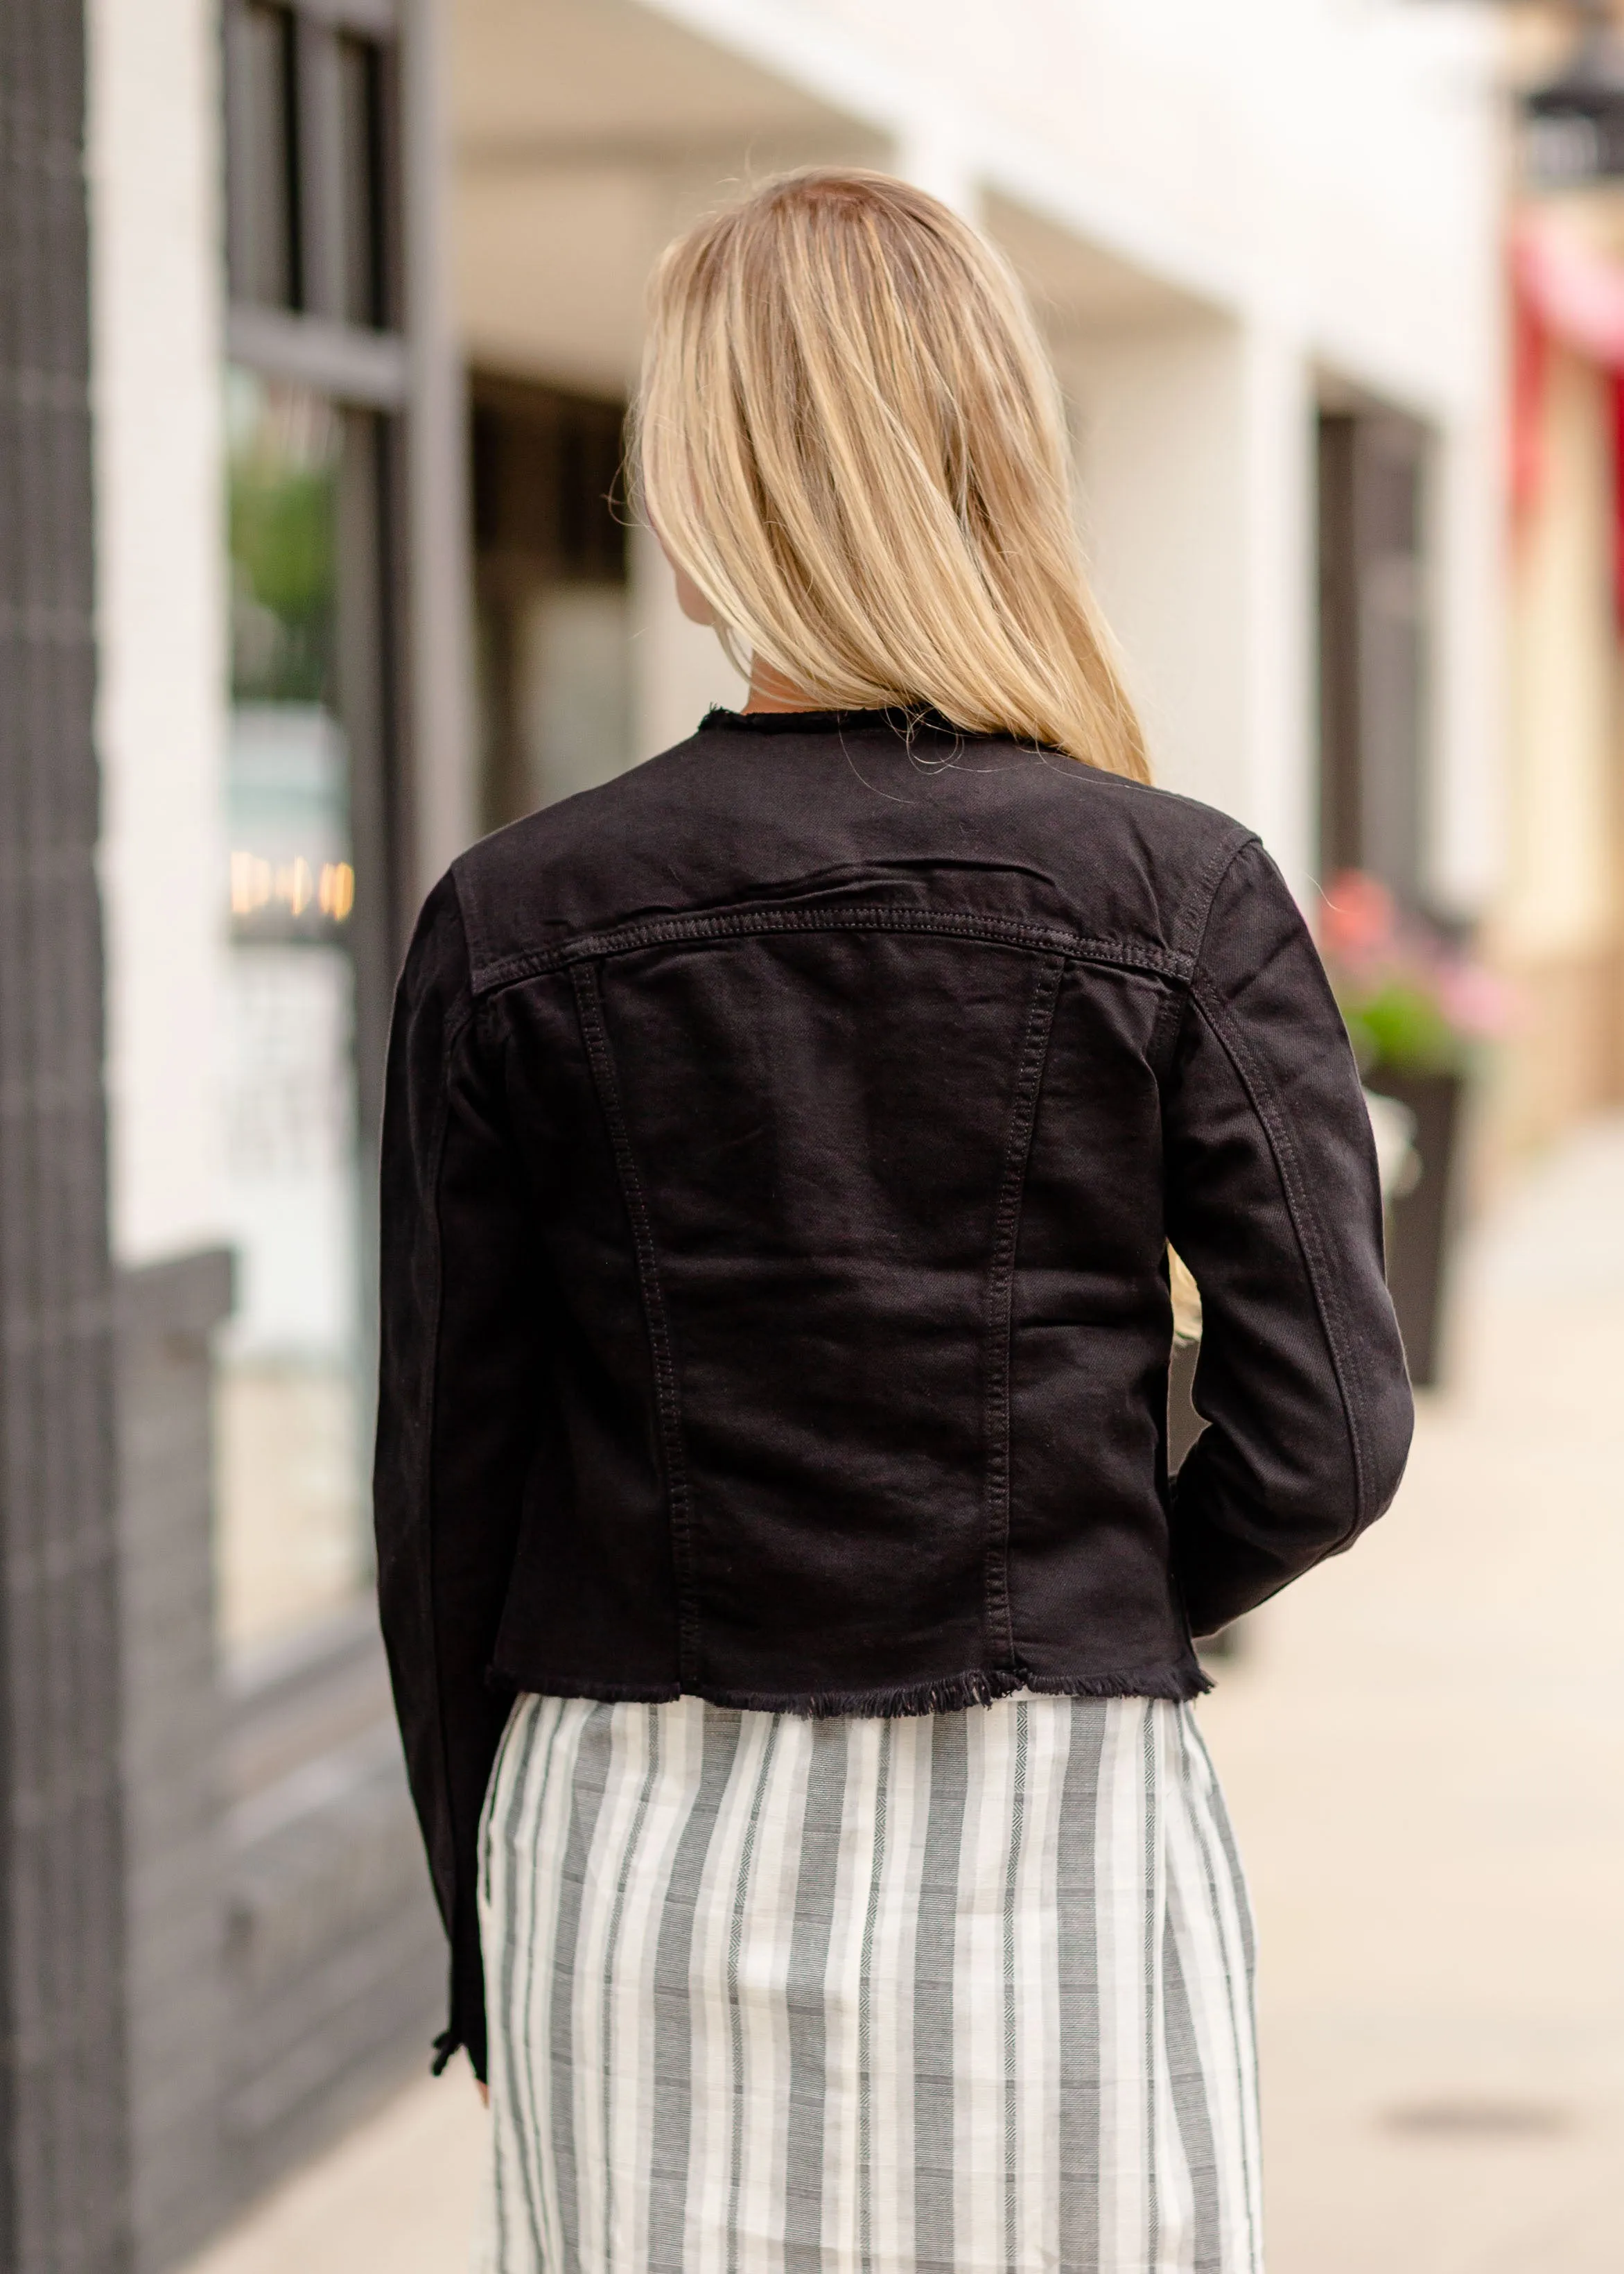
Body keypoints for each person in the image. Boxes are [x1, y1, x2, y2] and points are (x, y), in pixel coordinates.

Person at [374, 168, 1412, 2274]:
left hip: (629, 1850)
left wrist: (475, 1923)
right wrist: (1091, 1588)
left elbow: (446, 1501)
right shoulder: (1174, 891)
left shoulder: (516, 918)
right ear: (992, 458)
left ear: (697, 491)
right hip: (1052, 1838)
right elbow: (1331, 1439)